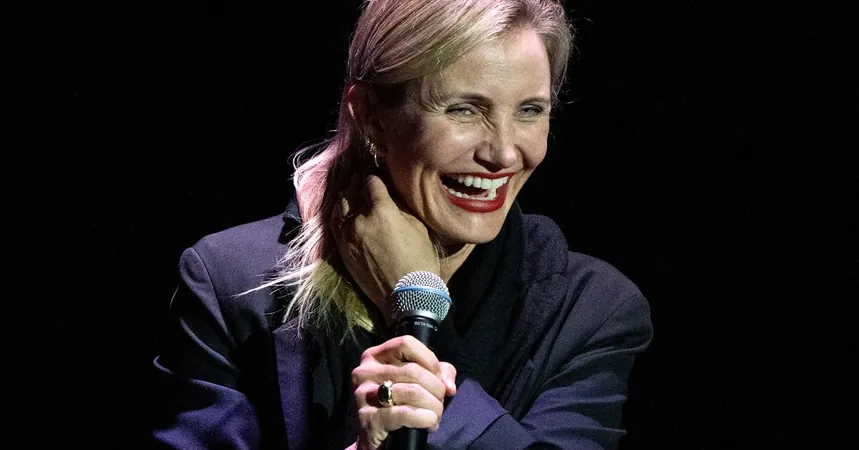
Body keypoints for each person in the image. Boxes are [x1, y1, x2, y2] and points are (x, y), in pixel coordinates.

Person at [149, 0, 653, 449]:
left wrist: (413, 298)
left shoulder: (593, 309)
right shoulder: (232, 281)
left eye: (529, 111)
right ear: (370, 116)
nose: (503, 153)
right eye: (464, 109)